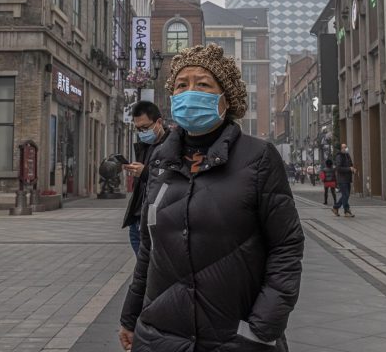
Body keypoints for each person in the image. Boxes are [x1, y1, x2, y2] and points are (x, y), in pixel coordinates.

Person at [119, 44, 304, 352]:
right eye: (181, 85)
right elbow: (150, 252)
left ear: (225, 97)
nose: (190, 92)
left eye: (202, 84)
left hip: (236, 338)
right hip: (159, 338)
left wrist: (262, 329)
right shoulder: (161, 161)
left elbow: (286, 247)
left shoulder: (258, 157)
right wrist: (130, 316)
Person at [121, 101, 170, 256]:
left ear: (159, 122)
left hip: (156, 221)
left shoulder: (172, 146)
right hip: (138, 218)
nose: (142, 132)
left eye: (145, 128)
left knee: (152, 267)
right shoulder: (144, 145)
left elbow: (171, 180)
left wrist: (144, 172)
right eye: (138, 129)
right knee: (141, 264)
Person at [332, 144, 356, 217]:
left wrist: (352, 169)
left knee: (346, 195)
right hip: (342, 179)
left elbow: (350, 164)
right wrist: (349, 169)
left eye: (346, 147)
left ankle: (336, 207)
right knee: (346, 195)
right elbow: (338, 168)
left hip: (347, 179)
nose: (346, 148)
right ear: (341, 149)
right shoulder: (339, 156)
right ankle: (346, 211)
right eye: (344, 147)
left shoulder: (347, 155)